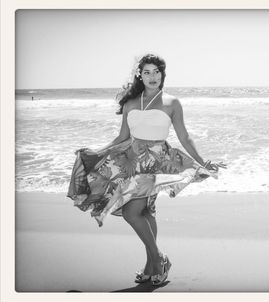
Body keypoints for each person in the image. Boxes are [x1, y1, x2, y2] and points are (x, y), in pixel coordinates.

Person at [67, 54, 225, 286]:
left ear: (163, 74)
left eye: (157, 72)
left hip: (155, 163)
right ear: (140, 75)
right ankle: (153, 265)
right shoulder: (131, 103)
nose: (153, 77)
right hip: (132, 161)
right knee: (144, 213)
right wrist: (95, 151)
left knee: (132, 213)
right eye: (147, 72)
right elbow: (122, 137)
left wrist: (202, 161)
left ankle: (158, 260)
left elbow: (184, 136)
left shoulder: (172, 103)